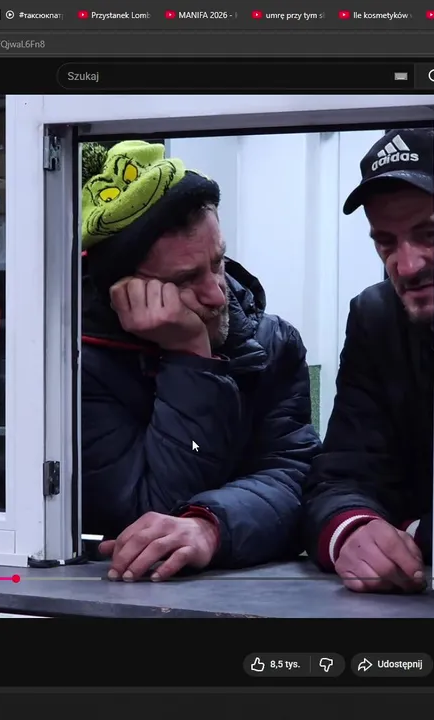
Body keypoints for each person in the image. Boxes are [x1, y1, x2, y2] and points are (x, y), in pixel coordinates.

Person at [79, 141, 320, 582]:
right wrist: (189, 357)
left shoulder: (272, 343)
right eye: (186, 279)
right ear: (124, 291)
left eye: (218, 261)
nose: (217, 294)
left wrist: (211, 525)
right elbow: (146, 518)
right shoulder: (77, 367)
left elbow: (295, 480)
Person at [301, 128, 434, 593]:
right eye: (386, 242)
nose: (407, 265)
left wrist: (415, 532)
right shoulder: (376, 318)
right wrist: (353, 529)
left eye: (429, 234)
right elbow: (341, 476)